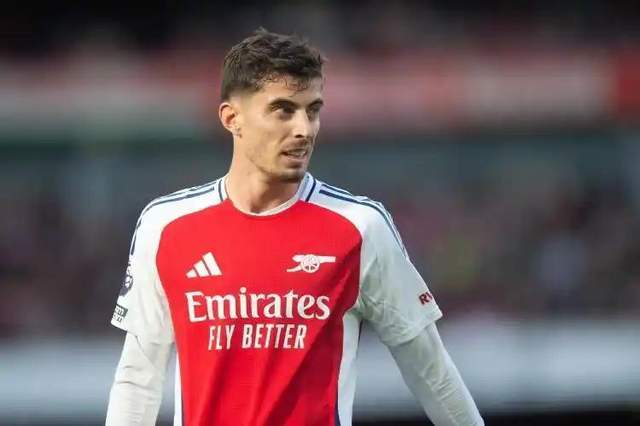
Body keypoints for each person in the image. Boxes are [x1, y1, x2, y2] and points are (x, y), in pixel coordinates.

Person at [106, 28, 484, 426]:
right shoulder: (166, 226)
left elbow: (431, 371)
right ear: (232, 118)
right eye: (283, 110)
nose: (304, 129)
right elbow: (138, 378)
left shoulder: (360, 228)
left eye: (313, 110)